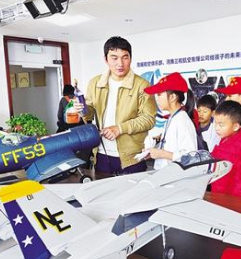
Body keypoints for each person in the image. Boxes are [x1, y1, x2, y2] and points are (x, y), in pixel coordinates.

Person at [83, 36, 157, 175]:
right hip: (102, 153)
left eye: (125, 57)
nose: (120, 63)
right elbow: (90, 113)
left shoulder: (142, 85)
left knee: (134, 190)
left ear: (130, 58)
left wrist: (120, 128)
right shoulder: (95, 83)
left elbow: (149, 119)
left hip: (132, 157)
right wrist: (82, 109)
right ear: (106, 59)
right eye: (114, 58)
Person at [144, 72, 197, 170]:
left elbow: (191, 156)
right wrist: (152, 152)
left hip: (175, 176)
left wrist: (162, 154)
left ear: (172, 97)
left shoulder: (182, 121)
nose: (157, 99)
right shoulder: (172, 118)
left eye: (159, 94)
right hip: (165, 173)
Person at [211, 101, 241, 199]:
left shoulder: (227, 151)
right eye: (215, 123)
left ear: (236, 126)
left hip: (230, 198)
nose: (217, 128)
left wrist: (215, 198)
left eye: (221, 125)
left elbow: (220, 182)